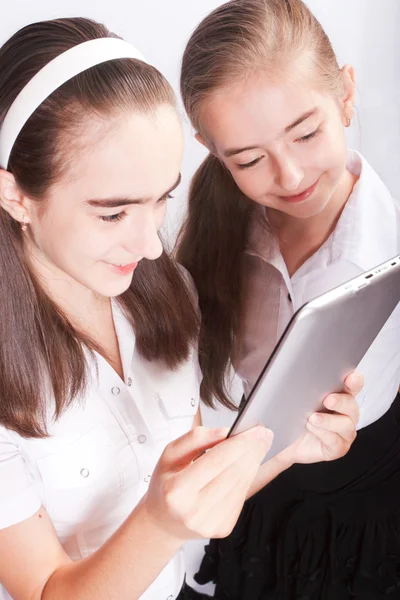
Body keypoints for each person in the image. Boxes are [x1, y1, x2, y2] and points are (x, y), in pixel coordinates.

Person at [0, 16, 362, 600]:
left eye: (161, 199)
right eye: (114, 213)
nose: (150, 246)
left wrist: (294, 449)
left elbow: (193, 498)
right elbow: (47, 591)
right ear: (16, 195)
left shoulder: (162, 293)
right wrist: (158, 523)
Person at [177, 0, 400, 598]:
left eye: (306, 133)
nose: (292, 176)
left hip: (365, 508)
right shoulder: (213, 225)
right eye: (249, 160)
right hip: (257, 488)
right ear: (210, 149)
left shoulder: (387, 242)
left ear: (346, 95)